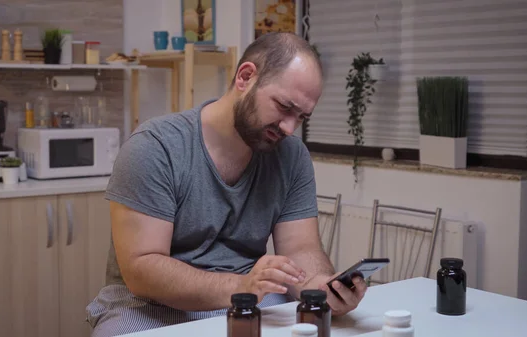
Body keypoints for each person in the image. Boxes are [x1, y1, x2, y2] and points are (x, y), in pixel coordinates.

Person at [86, 32, 368, 337]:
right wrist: (240, 286)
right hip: (146, 306)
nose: (289, 127)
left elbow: (301, 248)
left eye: (301, 117)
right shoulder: (155, 148)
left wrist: (320, 288)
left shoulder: (291, 156)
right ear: (245, 77)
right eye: (284, 106)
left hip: (249, 299)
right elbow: (142, 271)